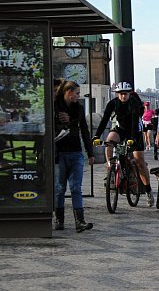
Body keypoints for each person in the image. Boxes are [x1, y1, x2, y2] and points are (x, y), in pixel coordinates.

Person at [93, 82, 154, 207]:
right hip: (121, 129)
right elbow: (104, 120)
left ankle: (148, 191)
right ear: (117, 94)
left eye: (125, 94)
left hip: (134, 132)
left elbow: (133, 122)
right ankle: (111, 166)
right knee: (110, 141)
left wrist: (132, 139)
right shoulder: (113, 103)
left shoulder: (134, 103)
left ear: (129, 93)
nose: (123, 96)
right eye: (121, 94)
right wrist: (96, 136)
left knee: (140, 162)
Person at [53, 80, 94, 232]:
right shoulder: (55, 106)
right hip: (60, 152)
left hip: (76, 151)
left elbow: (84, 130)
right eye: (76, 93)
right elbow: (50, 127)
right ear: (68, 93)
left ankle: (80, 221)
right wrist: (60, 122)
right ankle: (59, 219)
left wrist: (90, 152)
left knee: (76, 187)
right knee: (60, 188)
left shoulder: (79, 108)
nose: (78, 96)